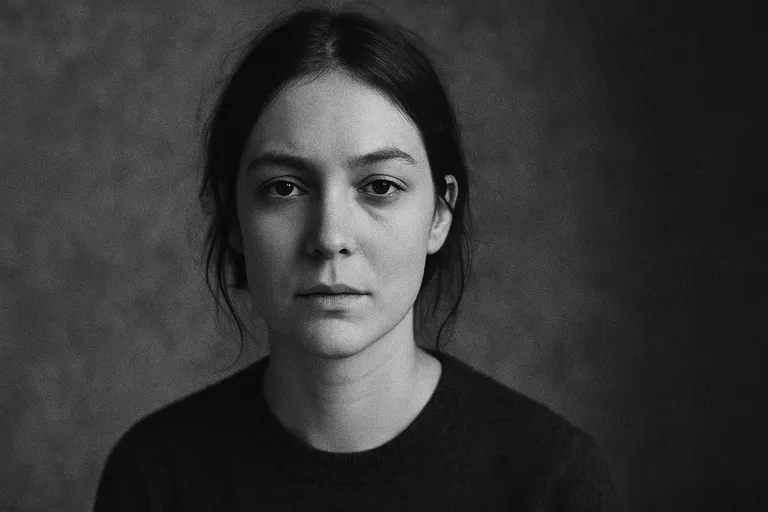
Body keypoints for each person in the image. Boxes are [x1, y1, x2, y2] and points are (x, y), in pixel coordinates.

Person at [94, 5, 616, 511]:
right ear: (233, 219)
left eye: (380, 186)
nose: (330, 236)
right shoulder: (156, 476)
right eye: (283, 187)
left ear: (439, 214)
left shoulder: (550, 479)